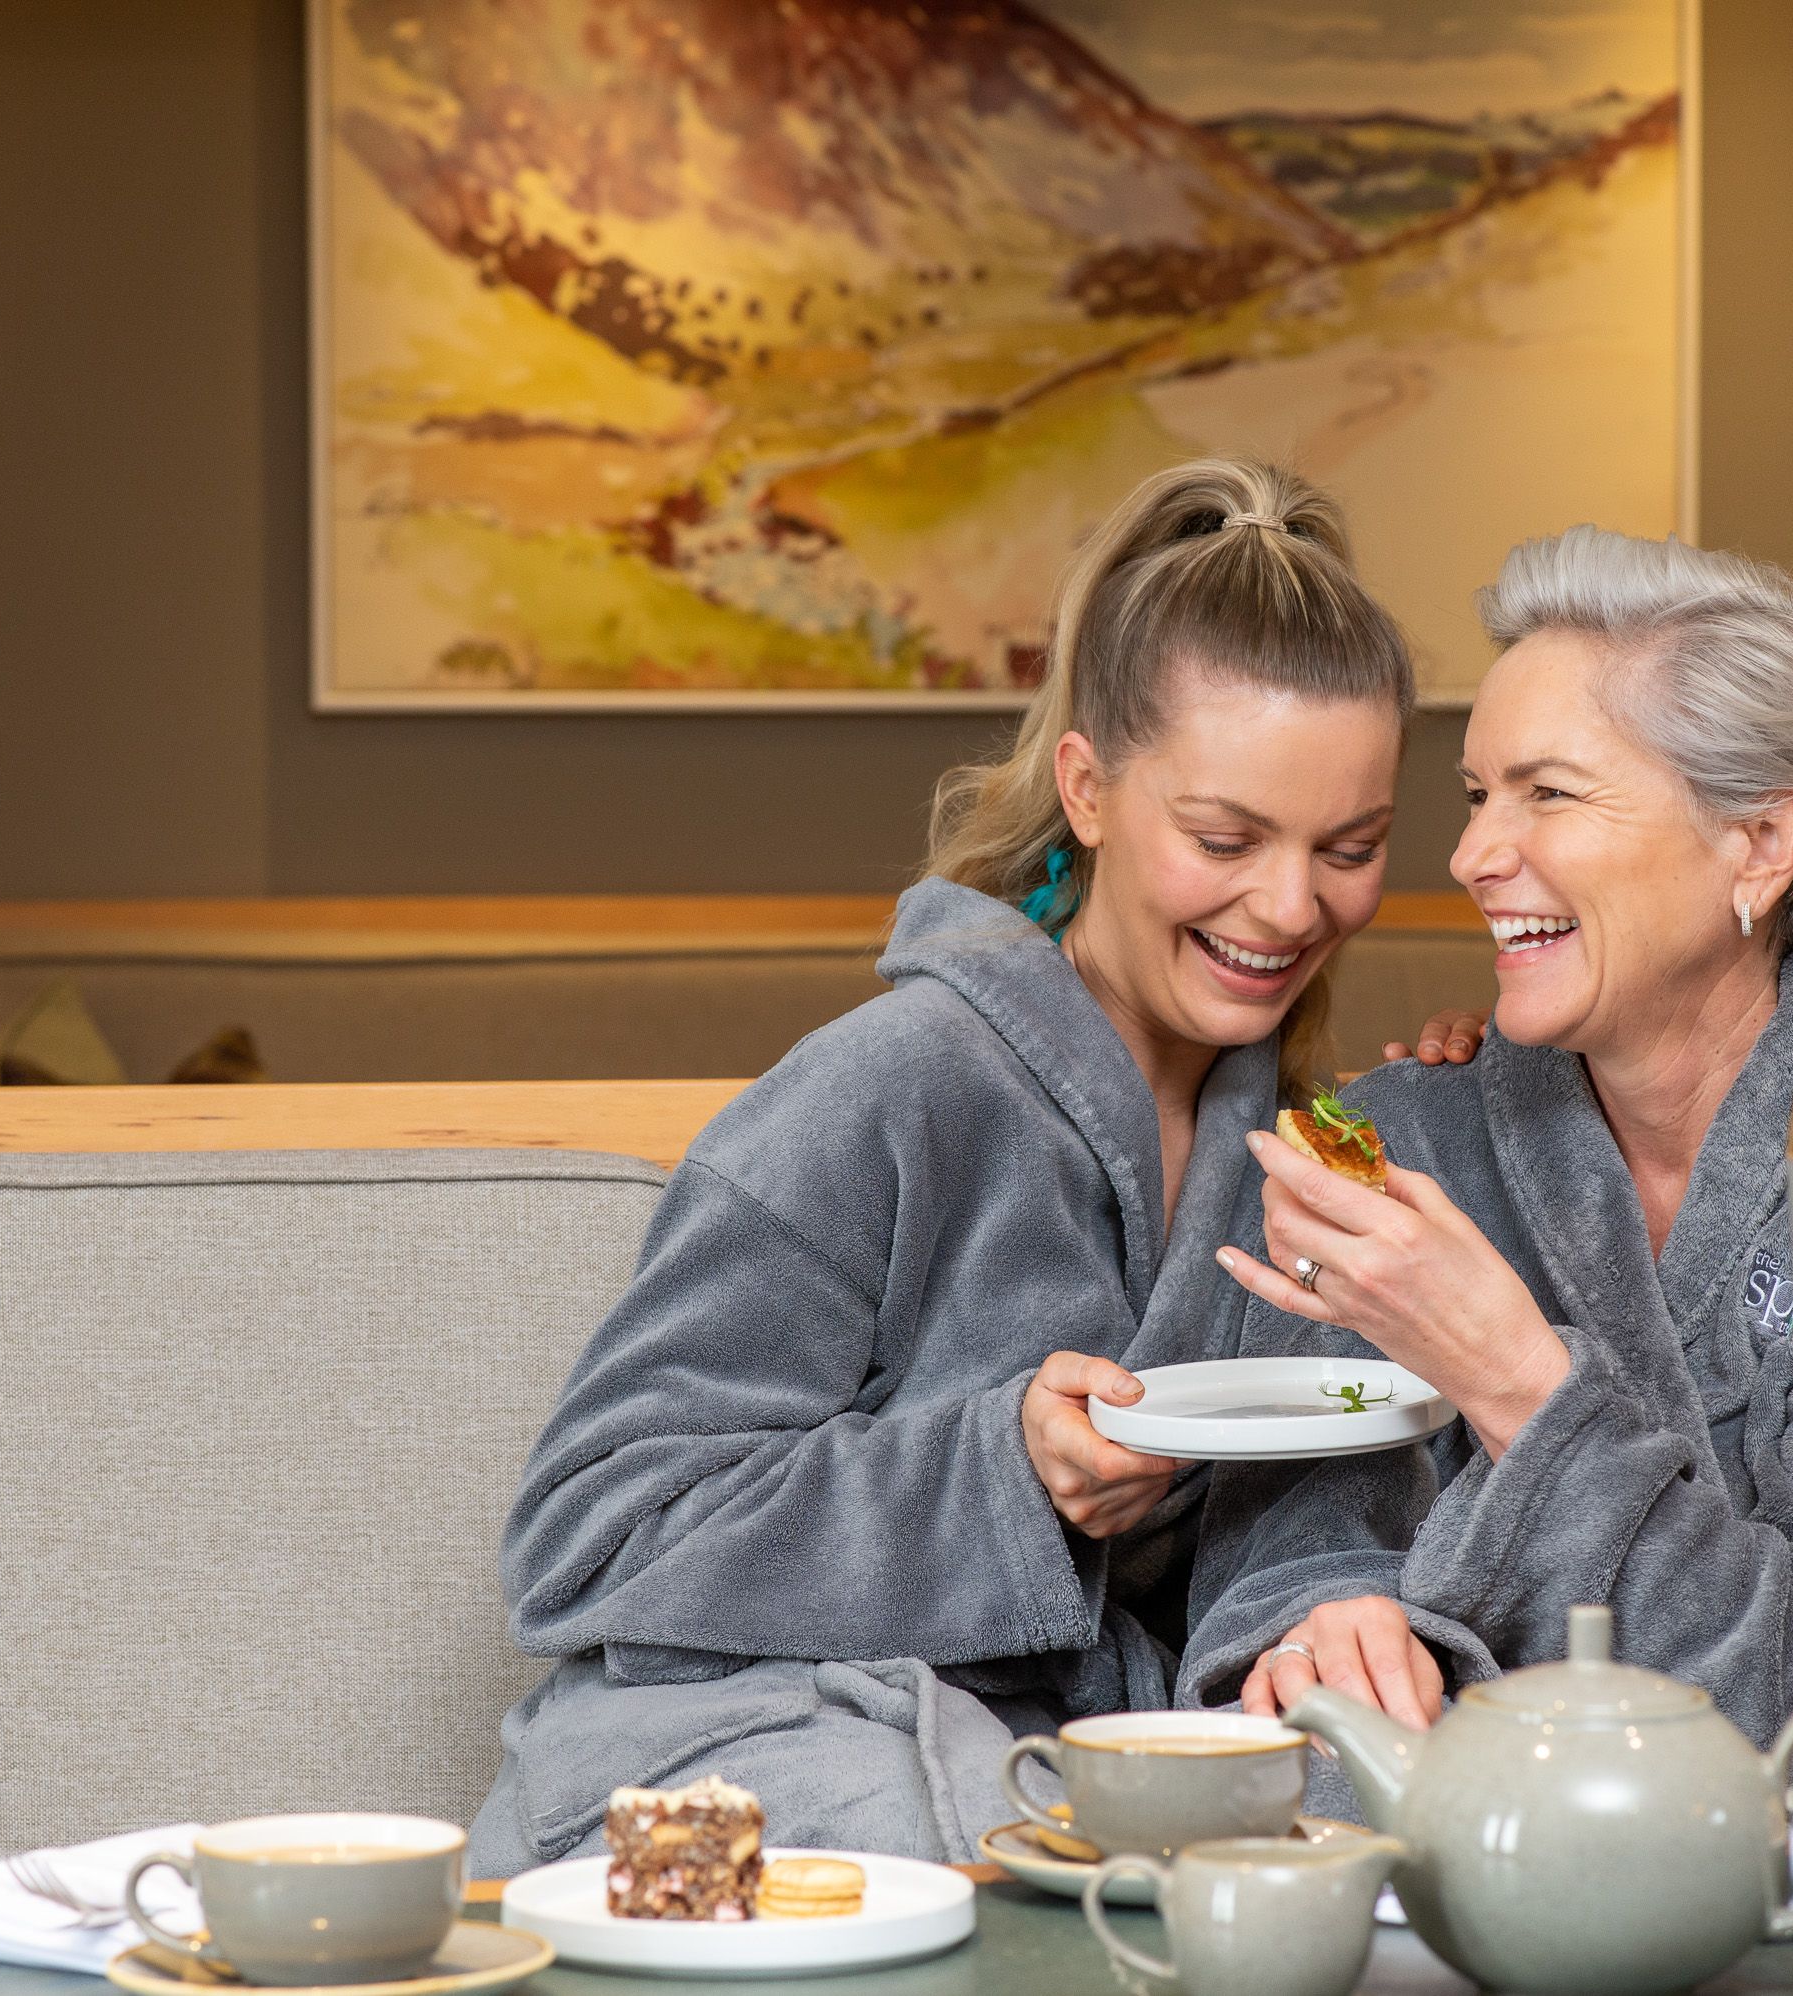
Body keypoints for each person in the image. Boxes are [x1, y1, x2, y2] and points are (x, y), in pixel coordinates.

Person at [469, 458, 1428, 1874]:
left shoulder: (1292, 1146)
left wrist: (1331, 1602)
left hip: (1060, 1759)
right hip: (747, 1755)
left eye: (1349, 848)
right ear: (1088, 789)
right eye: (1224, 838)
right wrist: (1002, 1473)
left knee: (1401, 1806)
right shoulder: (888, 1091)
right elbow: (588, 1535)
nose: (1290, 908)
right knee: (984, 1838)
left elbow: (1292, 1507)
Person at [1187, 525, 1793, 1741]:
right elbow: (1276, 1539)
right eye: (1476, 795)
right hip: (1430, 1854)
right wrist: (1328, 1616)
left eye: (1548, 793)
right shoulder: (1397, 1139)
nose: (1471, 855)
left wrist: (1516, 1379)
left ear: (1763, 844)